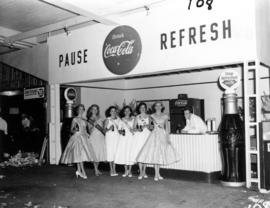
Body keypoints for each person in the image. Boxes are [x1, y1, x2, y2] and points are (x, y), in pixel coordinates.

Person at [136, 101, 180, 181]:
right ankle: (156, 174)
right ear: (154, 107)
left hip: (162, 135)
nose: (158, 107)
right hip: (154, 135)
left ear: (162, 107)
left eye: (160, 106)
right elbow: (150, 126)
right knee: (156, 153)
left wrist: (168, 138)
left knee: (160, 154)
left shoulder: (165, 116)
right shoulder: (152, 116)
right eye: (157, 106)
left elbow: (167, 128)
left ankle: (158, 173)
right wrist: (146, 126)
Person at [61, 104, 96, 179]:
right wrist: (74, 130)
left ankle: (79, 171)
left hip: (84, 138)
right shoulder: (75, 119)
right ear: (77, 110)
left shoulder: (85, 120)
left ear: (84, 110)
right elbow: (71, 130)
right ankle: (82, 171)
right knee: (78, 155)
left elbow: (86, 131)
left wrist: (91, 129)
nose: (81, 110)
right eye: (79, 109)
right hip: (77, 137)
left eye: (82, 109)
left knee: (81, 155)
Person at [130, 102, 151, 180]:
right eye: (141, 107)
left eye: (144, 107)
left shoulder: (149, 116)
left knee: (145, 153)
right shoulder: (137, 117)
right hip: (139, 136)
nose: (142, 109)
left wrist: (148, 126)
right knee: (139, 153)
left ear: (146, 108)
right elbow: (133, 129)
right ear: (139, 109)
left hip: (147, 136)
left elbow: (151, 127)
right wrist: (139, 128)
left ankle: (144, 171)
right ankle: (141, 172)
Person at [114, 106, 135, 177]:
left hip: (131, 137)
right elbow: (119, 130)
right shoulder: (121, 120)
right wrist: (121, 131)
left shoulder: (134, 119)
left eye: (128, 110)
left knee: (130, 153)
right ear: (123, 112)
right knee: (125, 153)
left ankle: (130, 170)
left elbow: (135, 128)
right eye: (125, 111)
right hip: (124, 138)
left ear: (130, 111)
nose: (127, 112)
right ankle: (126, 170)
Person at [86, 104, 106, 176]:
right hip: (94, 137)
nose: (94, 110)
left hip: (100, 137)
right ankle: (95, 169)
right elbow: (90, 131)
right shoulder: (89, 119)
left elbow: (103, 128)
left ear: (97, 110)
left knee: (99, 153)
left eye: (96, 109)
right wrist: (93, 124)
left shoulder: (100, 118)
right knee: (95, 154)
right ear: (91, 110)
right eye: (93, 109)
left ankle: (97, 168)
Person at [104, 106, 121, 176]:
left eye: (114, 111)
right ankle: (111, 170)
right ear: (109, 112)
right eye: (112, 111)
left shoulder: (119, 119)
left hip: (117, 138)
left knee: (115, 153)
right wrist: (109, 129)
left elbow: (120, 130)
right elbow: (104, 130)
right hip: (110, 138)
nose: (113, 112)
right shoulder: (107, 119)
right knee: (110, 153)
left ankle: (114, 169)